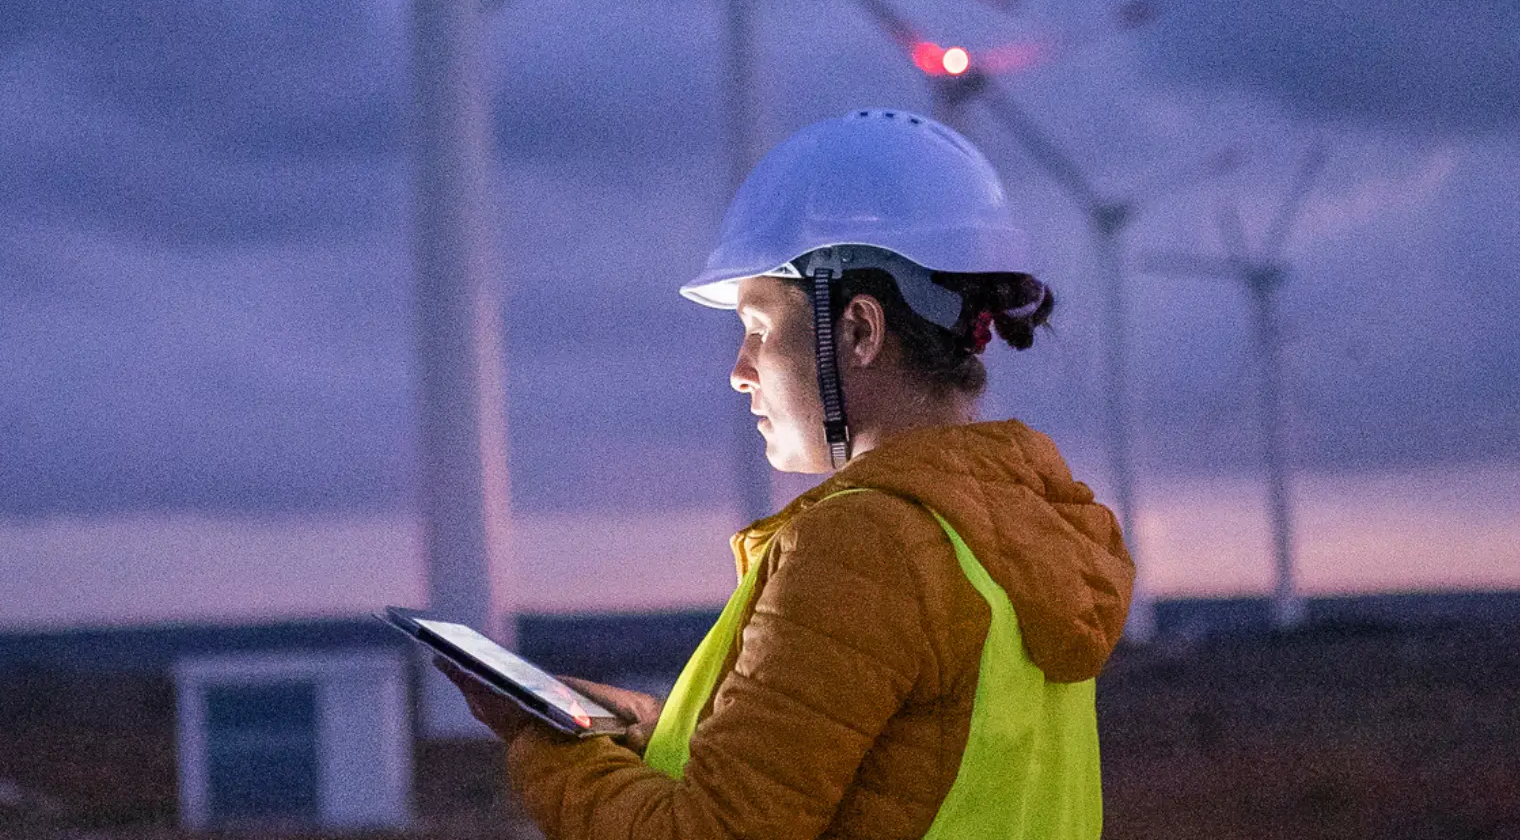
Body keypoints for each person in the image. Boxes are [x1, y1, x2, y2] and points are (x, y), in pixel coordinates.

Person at [441, 108, 1135, 839]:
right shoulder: (1018, 534)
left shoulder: (869, 546)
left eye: (760, 329)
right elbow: (898, 765)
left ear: (859, 332)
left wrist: (541, 744)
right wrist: (666, 730)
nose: (739, 371)